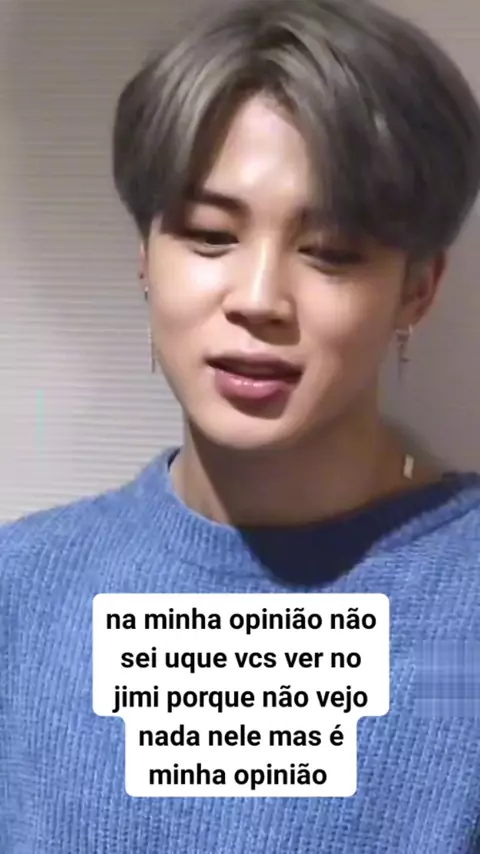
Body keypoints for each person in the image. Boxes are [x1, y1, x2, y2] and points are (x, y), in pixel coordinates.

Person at [1, 0, 480, 851]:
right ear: (146, 256)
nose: (259, 299)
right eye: (209, 235)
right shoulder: (22, 595)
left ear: (417, 289)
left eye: (330, 251)